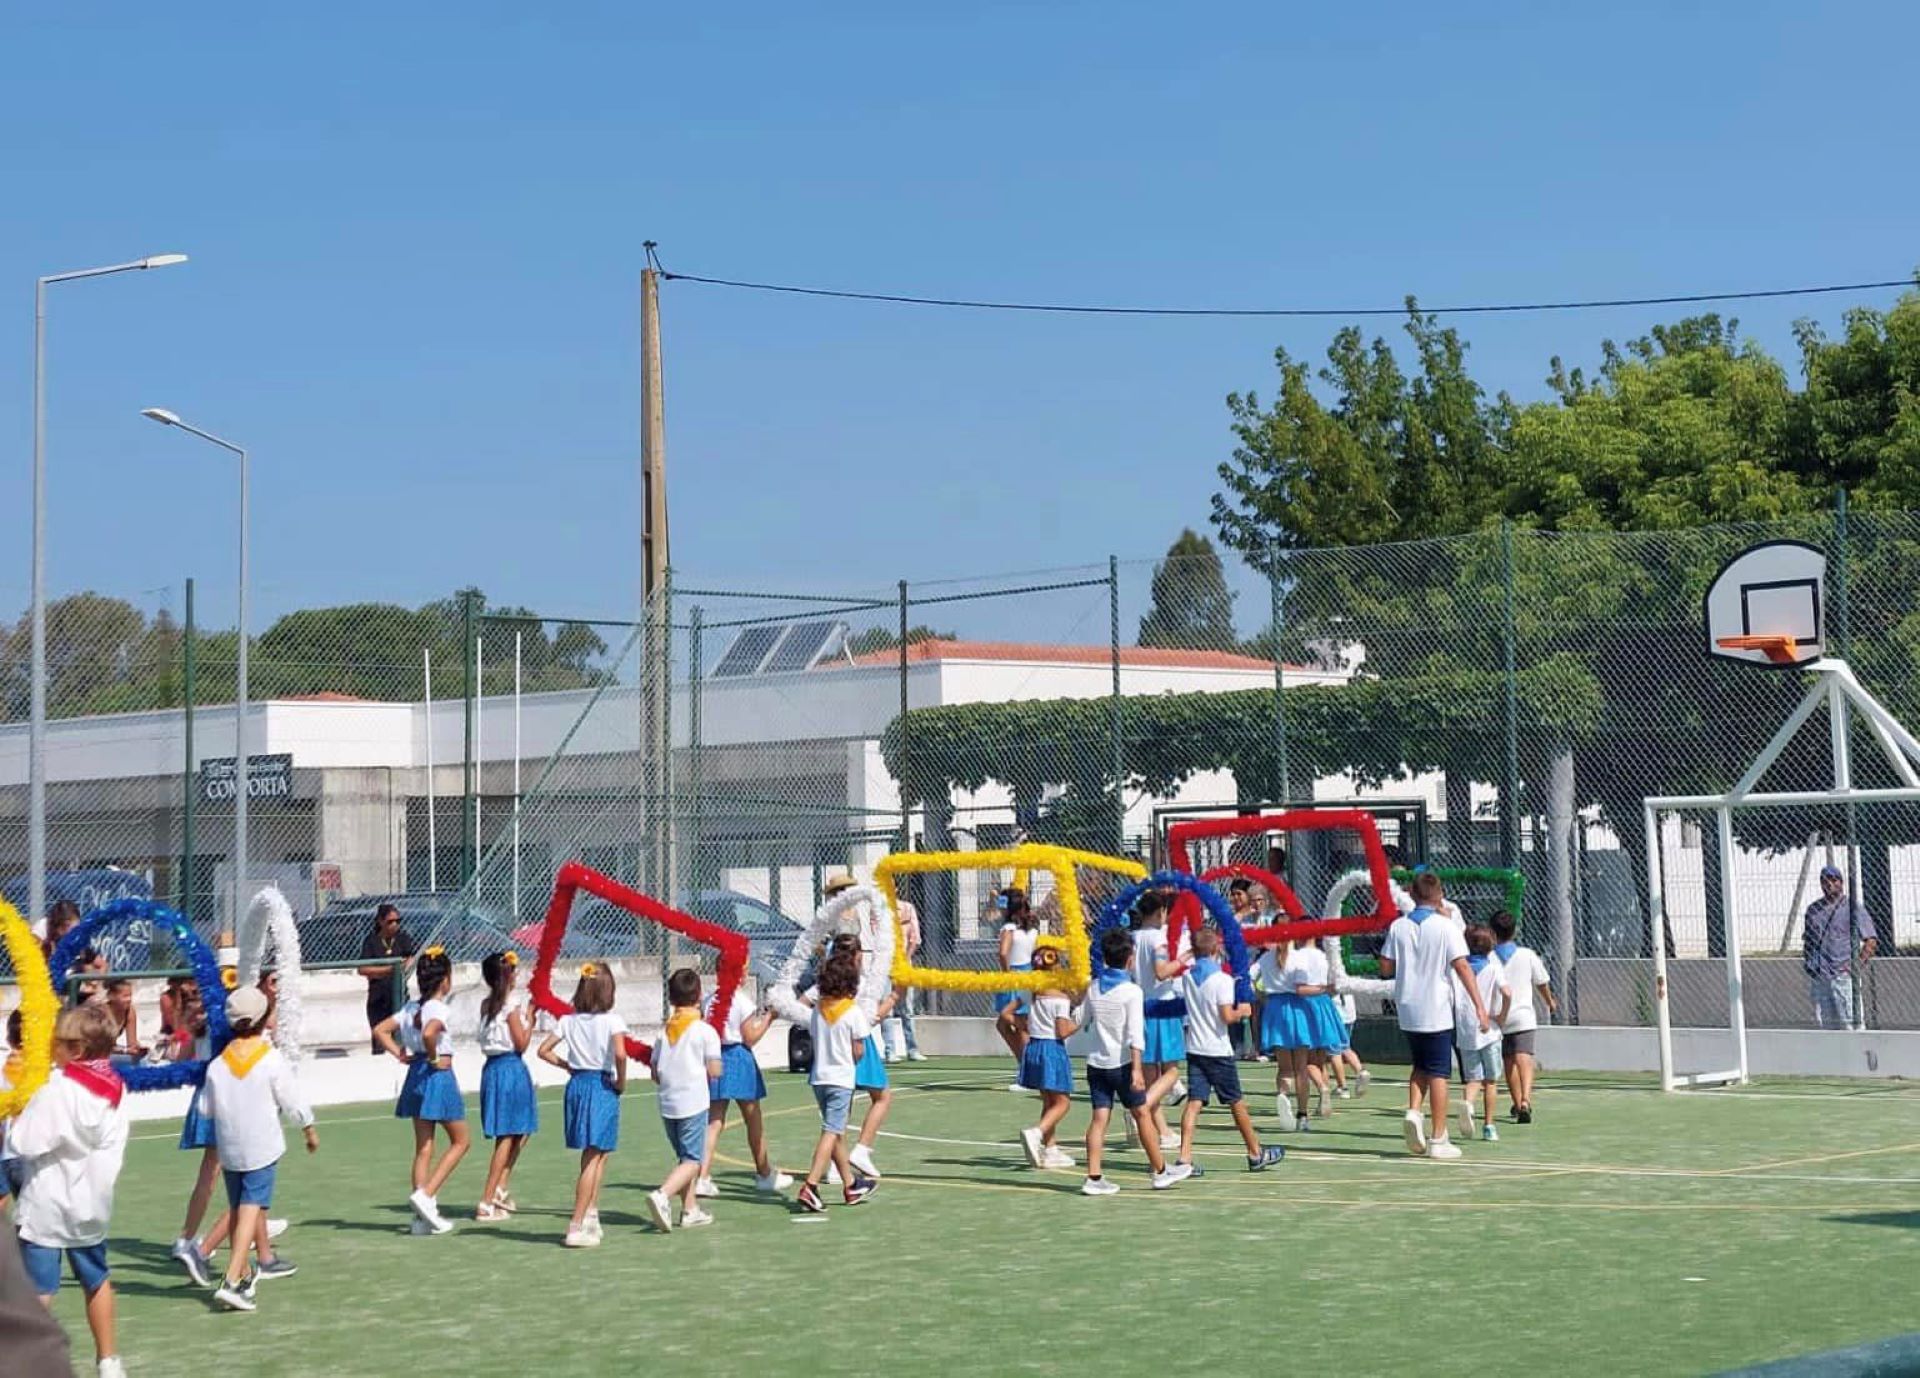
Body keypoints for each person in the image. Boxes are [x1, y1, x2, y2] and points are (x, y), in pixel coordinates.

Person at [7, 1004, 128, 1374]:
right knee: (97, 1279)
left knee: (36, 1291)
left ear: (76, 1050)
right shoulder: (116, 1089)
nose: (51, 1046)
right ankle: (108, 1361)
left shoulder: (59, 1090)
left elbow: (26, 1142)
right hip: (91, 1204)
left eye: (58, 1042)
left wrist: (17, 1113)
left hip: (48, 1204)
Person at [202, 986, 317, 1313]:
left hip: (230, 1149)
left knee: (240, 1208)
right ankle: (233, 1278)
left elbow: (206, 1110)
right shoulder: (269, 1058)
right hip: (261, 1146)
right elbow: (291, 1099)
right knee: (251, 1207)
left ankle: (244, 1273)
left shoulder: (217, 1064)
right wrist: (308, 1127)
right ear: (264, 1019)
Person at [1380, 871, 1487, 1161]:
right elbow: (1463, 967)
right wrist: (1479, 1006)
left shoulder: (1398, 927)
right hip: (1436, 1006)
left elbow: (1386, 967)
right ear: (1439, 895)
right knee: (1440, 1072)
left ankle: (1414, 1111)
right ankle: (1438, 1137)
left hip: (1407, 1005)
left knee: (1420, 1065)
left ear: (1412, 895)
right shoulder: (1446, 926)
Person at [1170, 928, 1286, 1176]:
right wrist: (1243, 1010)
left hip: (1195, 1047)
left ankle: (1184, 1157)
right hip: (1217, 1050)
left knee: (1194, 1103)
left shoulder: (1189, 977)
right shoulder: (1221, 980)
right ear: (1215, 950)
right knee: (1236, 1103)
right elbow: (1226, 1017)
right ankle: (1255, 1153)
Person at [1076, 928, 1180, 1195]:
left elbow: (1079, 1019)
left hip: (1096, 1064)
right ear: (1130, 959)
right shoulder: (1131, 991)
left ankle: (1094, 1176)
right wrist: (1137, 1069)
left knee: (1099, 1119)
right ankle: (1159, 1171)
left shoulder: (1095, 986)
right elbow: (1135, 1035)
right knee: (1143, 1114)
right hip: (1121, 1065)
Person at [373, 947, 468, 1235]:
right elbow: (429, 1033)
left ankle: (419, 1220)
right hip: (438, 1077)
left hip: (415, 1077)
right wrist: (433, 1056)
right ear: (445, 981)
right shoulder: (438, 1008)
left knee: (424, 1147)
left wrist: (400, 1054)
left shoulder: (410, 1008)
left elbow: (379, 1030)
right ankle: (426, 1196)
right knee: (461, 1141)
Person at [537, 964, 628, 1248]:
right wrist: (621, 1082)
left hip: (578, 1084)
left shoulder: (568, 1020)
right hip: (600, 1086)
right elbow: (621, 1054)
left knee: (600, 1152)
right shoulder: (613, 1022)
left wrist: (567, 1065)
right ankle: (575, 1224)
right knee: (593, 1155)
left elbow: (543, 1050)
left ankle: (591, 1211)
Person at [796, 952, 879, 1214]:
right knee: (831, 1132)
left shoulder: (818, 1010)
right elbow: (858, 1051)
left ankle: (851, 1184)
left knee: (837, 1134)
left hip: (819, 1077)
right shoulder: (852, 1012)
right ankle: (810, 1185)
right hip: (841, 1079)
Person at [645, 969, 726, 1233]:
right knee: (693, 1160)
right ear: (699, 995)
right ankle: (662, 1194)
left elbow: (654, 1071)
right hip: (692, 1102)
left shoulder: (664, 1030)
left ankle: (690, 1209)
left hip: (667, 1102)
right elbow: (714, 1071)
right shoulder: (704, 1031)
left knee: (683, 1157)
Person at [696, 985, 791, 1200]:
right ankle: (765, 1173)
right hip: (738, 1058)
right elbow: (750, 1037)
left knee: (714, 1121)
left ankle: (701, 1176)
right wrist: (769, 1018)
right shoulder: (740, 1000)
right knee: (753, 1117)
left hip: (716, 1056)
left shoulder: (710, 999)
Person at [474, 951, 537, 1222]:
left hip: (495, 1070)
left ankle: (500, 1186)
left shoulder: (488, 1004)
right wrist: (531, 1017)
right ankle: (486, 1199)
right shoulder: (509, 1005)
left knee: (521, 1129)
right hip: (509, 1068)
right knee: (507, 1135)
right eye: (513, 969)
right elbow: (521, 1043)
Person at [1130, 890, 1190, 1151]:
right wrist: (1184, 959)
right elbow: (1162, 972)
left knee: (1151, 1074)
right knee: (1171, 1071)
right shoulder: (1158, 939)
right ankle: (1139, 1108)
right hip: (1162, 1006)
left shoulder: (1133, 938)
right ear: (1159, 913)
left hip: (1140, 1005)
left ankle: (1162, 1131)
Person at [1488, 912, 1555, 1124]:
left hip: (1500, 1016)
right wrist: (1549, 1000)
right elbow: (1541, 981)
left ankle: (1517, 1104)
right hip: (1523, 1015)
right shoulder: (1527, 954)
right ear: (1515, 931)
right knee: (1524, 1058)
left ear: (1492, 933)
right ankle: (1526, 1100)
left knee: (1509, 1062)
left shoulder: (1489, 957)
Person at [1015, 945, 1078, 1170]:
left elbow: (1009, 1014)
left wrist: (1027, 1026)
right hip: (1052, 1049)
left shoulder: (1032, 992)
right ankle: (1037, 1133)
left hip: (1034, 1047)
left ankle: (1051, 1149)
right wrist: (1079, 1022)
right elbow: (1062, 1031)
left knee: (1049, 1101)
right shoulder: (1060, 999)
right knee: (1063, 1102)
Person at [1453, 926, 1511, 1144]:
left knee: (1473, 1079)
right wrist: (1502, 1016)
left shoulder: (1457, 969)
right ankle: (1489, 1125)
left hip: (1466, 1030)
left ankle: (1468, 1104)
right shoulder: (1494, 968)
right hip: (1490, 1032)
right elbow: (1507, 992)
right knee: (1491, 1081)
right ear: (1490, 946)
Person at [1803, 864, 1877, 1031]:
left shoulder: (1852, 908)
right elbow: (1808, 941)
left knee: (1851, 1024)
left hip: (1843, 976)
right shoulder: (1813, 911)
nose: (1829, 883)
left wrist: (1856, 966)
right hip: (1820, 977)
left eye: (1833, 879)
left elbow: (1871, 940)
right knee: (1826, 1026)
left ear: (1841, 882)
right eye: (1824, 880)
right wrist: (1810, 963)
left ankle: (1856, 1055)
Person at [355, 903, 416, 1054]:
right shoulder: (371, 941)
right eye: (390, 921)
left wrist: (402, 969)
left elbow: (410, 959)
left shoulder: (403, 939)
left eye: (397, 921)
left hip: (399, 995)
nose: (394, 925)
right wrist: (390, 970)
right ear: (380, 922)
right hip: (378, 997)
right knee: (380, 1039)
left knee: (401, 1039)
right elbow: (363, 969)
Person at [994, 888, 1039, 1083]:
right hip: (1028, 973)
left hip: (1014, 976)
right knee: (1008, 1023)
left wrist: (1007, 973)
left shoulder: (1009, 929)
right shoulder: (1032, 929)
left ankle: (1027, 1071)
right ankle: (1024, 1065)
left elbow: (1003, 953)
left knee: (1017, 1024)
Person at [884, 888, 926, 1062]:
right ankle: (889, 1050)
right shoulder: (879, 910)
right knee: (887, 1008)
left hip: (903, 963)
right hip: (885, 964)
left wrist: (905, 958)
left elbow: (915, 938)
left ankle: (912, 1049)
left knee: (906, 1008)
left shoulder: (908, 908)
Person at [102, 982, 143, 1065]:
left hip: (112, 1051)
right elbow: (100, 1047)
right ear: (112, 996)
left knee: (139, 1061)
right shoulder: (102, 1013)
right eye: (125, 996)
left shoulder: (129, 1011)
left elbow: (131, 1043)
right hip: (96, 1054)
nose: (129, 999)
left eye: (130, 995)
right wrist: (124, 1050)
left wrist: (137, 1048)